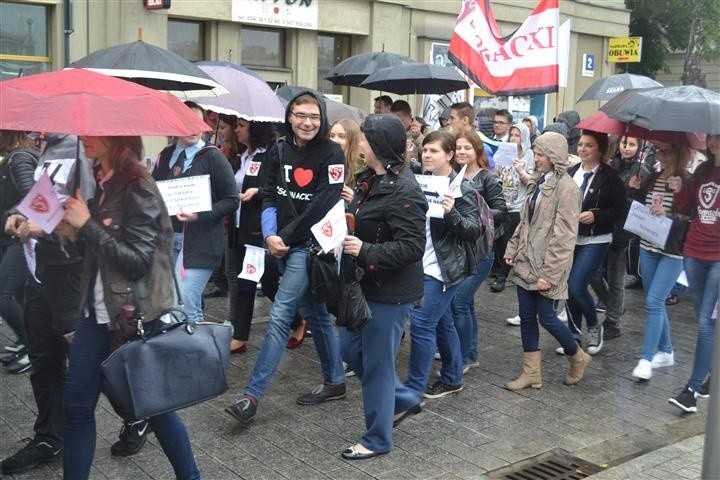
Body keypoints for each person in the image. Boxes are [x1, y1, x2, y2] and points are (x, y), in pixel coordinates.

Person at [59, 135, 201, 479]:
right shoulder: (99, 180)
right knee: (77, 407)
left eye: (95, 131)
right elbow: (97, 254)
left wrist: (86, 227)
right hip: (95, 313)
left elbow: (137, 261)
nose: (85, 137)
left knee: (155, 407)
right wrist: (69, 232)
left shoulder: (138, 185)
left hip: (132, 316)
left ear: (116, 137)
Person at [225, 90, 346, 424]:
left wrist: (286, 238)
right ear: (290, 117)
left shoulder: (333, 152)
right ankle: (335, 380)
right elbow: (268, 197)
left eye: (314, 116)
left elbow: (325, 203)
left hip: (308, 246)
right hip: (279, 243)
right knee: (316, 315)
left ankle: (251, 396)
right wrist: (269, 235)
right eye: (301, 115)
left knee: (279, 317)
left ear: (322, 119)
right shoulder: (278, 150)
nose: (307, 122)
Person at [1, 134, 98, 476]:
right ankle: (48, 438)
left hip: (70, 275)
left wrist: (44, 227)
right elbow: (42, 199)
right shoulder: (49, 148)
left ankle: (138, 412)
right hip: (38, 270)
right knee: (43, 358)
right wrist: (18, 215)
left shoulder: (85, 149)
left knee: (89, 361)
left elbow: (91, 218)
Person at [338, 114, 428, 460]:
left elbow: (412, 247)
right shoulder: (368, 178)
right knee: (349, 351)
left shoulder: (405, 189)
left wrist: (366, 250)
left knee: (376, 366)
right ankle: (403, 399)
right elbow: (363, 217)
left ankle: (377, 438)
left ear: (377, 146)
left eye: (362, 140)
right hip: (363, 284)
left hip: (390, 292)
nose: (358, 145)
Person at [503, 132, 591, 391]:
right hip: (526, 260)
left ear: (554, 156)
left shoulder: (567, 189)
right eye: (536, 153)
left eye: (540, 154)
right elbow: (526, 221)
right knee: (528, 317)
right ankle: (531, 374)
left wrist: (550, 274)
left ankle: (577, 356)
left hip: (547, 266)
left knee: (547, 317)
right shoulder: (539, 181)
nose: (536, 158)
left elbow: (565, 237)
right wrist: (512, 247)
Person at [405, 130, 480, 401]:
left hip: (444, 268)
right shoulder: (418, 180)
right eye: (425, 149)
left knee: (423, 323)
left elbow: (473, 231)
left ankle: (414, 386)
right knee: (441, 322)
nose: (427, 155)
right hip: (419, 263)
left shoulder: (462, 188)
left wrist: (452, 213)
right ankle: (452, 377)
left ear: (449, 155)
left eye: (434, 151)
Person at [152, 101, 239, 322]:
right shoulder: (165, 155)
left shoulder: (213, 156)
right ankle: (181, 352)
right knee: (170, 307)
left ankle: (198, 354)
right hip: (169, 240)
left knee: (186, 305)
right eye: (185, 121)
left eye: (196, 121)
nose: (191, 127)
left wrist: (199, 215)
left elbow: (231, 201)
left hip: (201, 242)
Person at [628, 141, 690, 380]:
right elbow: (640, 208)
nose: (661, 156)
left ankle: (646, 358)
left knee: (654, 301)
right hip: (648, 244)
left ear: (679, 153)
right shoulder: (652, 177)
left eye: (666, 151)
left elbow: (692, 217)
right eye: (660, 151)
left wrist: (678, 199)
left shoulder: (687, 180)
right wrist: (634, 189)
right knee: (654, 301)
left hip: (672, 251)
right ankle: (666, 351)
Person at [563, 131, 626, 356]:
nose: (582, 149)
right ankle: (573, 334)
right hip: (570, 237)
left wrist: (596, 215)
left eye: (588, 145)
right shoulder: (570, 173)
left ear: (600, 149)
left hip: (596, 238)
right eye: (580, 144)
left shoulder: (610, 177)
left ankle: (593, 325)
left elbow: (620, 210)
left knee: (576, 285)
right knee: (568, 288)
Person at [668, 134, 719, 412]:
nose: (715, 142)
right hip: (694, 251)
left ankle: (692, 389)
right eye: (713, 137)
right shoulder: (703, 170)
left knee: (705, 323)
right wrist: (679, 188)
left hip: (718, 257)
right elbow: (688, 207)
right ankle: (711, 374)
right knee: (705, 320)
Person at [450, 129, 507, 371]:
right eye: (459, 148)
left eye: (467, 148)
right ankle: (470, 353)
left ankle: (463, 357)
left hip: (481, 251)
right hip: (457, 249)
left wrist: (475, 215)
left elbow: (502, 211)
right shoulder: (452, 175)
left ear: (477, 151)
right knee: (467, 304)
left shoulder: (487, 178)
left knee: (459, 303)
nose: (462, 152)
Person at [225, 119, 277, 354]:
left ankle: (297, 319)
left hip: (256, 227)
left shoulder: (269, 155)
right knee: (239, 280)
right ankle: (240, 334)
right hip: (237, 225)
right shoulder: (242, 155)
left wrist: (257, 193)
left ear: (255, 128)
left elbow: (276, 189)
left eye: (241, 125)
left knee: (256, 282)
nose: (236, 130)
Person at [594, 136, 652, 340]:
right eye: (624, 143)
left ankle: (613, 322)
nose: (627, 147)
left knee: (616, 276)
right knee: (593, 272)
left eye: (633, 144)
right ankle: (614, 307)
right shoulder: (610, 165)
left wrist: (637, 190)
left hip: (621, 229)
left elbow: (644, 206)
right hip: (602, 225)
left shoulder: (642, 172)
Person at [0, 131, 36, 374]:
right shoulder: (13, 157)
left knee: (3, 294)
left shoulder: (19, 158)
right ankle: (28, 341)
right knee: (19, 295)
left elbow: (32, 195)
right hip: (14, 237)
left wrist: (11, 214)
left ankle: (32, 346)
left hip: (20, 237)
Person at [492, 122, 534, 294]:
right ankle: (498, 269)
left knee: (510, 239)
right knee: (499, 239)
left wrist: (520, 170)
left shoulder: (529, 154)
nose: (513, 138)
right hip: (502, 202)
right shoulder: (504, 150)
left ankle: (502, 276)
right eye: (512, 135)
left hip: (518, 204)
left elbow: (531, 180)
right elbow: (495, 175)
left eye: (517, 135)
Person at [390, 100, 423, 169]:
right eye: (393, 121)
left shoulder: (424, 130)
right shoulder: (390, 132)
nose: (397, 124)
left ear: (410, 117)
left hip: (417, 175)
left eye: (400, 121)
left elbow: (431, 153)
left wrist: (418, 137)